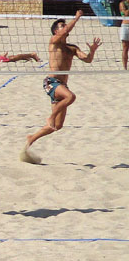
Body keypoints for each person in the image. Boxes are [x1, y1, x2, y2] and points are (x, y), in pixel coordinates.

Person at [22, 12, 100, 163]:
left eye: (65, 25)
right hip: (51, 82)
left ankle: (32, 138)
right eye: (62, 26)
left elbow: (88, 60)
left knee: (57, 126)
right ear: (56, 32)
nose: (65, 28)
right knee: (70, 97)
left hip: (62, 85)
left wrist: (93, 50)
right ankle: (50, 116)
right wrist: (77, 17)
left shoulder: (71, 48)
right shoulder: (54, 42)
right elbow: (66, 31)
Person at [120, 0, 129, 70]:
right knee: (125, 48)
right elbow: (126, 13)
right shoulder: (122, 3)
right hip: (125, 26)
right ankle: (125, 68)